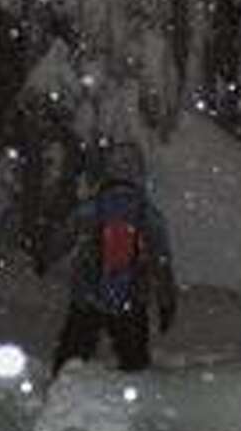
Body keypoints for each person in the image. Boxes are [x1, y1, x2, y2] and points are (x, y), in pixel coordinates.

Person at [40, 140, 178, 375]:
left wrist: (43, 260)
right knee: (134, 362)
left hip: (88, 295)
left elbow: (62, 240)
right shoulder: (148, 215)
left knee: (71, 355)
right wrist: (166, 303)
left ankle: (60, 395)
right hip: (132, 299)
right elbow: (161, 262)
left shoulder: (91, 208)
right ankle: (135, 400)